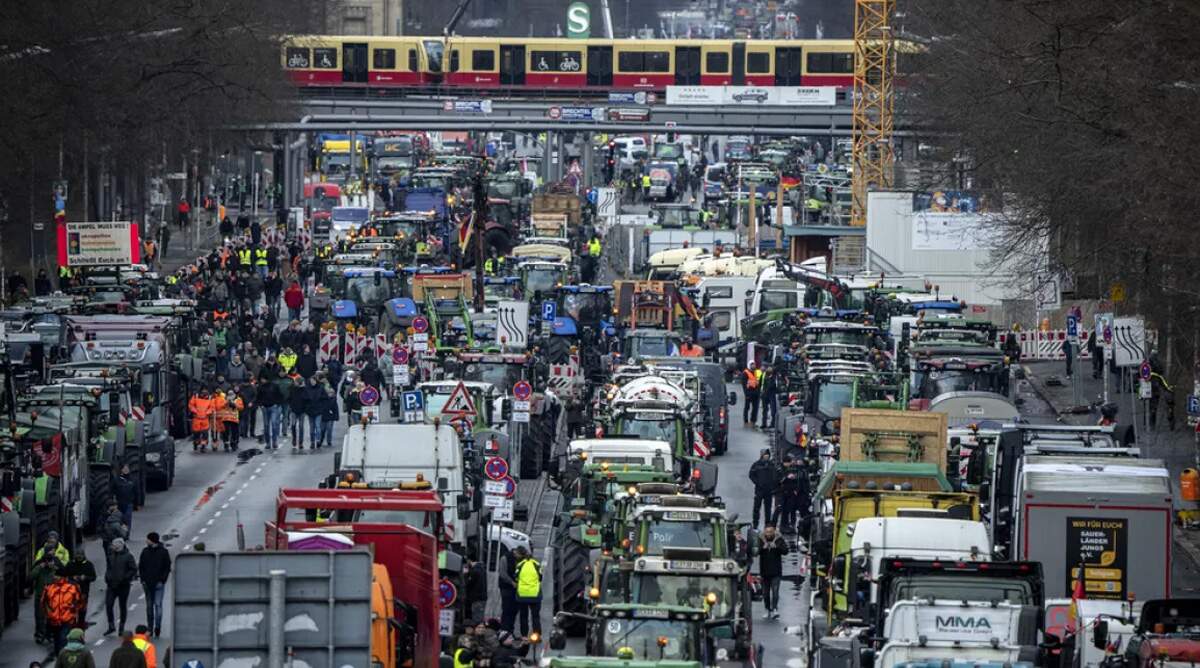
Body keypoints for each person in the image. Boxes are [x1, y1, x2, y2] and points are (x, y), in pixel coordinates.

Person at [138, 532, 171, 637]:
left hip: (156, 583)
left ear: (152, 540)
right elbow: (141, 566)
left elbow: (167, 567)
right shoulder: (157, 551)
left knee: (153, 606)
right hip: (150, 583)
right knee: (155, 606)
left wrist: (162, 580)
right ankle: (154, 627)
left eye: (148, 539)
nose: (146, 541)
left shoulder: (155, 552)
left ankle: (154, 627)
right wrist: (143, 579)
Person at [44, 573, 83, 654]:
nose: (55, 577)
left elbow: (79, 602)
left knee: (63, 639)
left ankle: (63, 656)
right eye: (54, 575)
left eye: (57, 575)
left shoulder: (73, 587)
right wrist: (49, 614)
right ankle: (59, 656)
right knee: (57, 640)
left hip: (67, 619)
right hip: (54, 620)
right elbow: (44, 602)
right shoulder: (49, 587)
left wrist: (72, 611)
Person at [757, 524, 789, 620]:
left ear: (774, 531)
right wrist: (762, 548)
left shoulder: (779, 539)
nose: (769, 534)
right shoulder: (760, 539)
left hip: (776, 571)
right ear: (764, 532)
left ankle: (775, 609)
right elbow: (755, 551)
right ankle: (767, 609)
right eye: (767, 532)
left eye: (771, 532)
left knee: (775, 592)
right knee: (765, 593)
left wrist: (777, 547)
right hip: (764, 572)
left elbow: (786, 551)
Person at [61, 550, 97, 628]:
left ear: (83, 555)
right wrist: (72, 578)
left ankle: (81, 624)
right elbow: (64, 575)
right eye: (78, 555)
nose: (79, 557)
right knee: (71, 608)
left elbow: (93, 577)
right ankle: (72, 624)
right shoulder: (70, 564)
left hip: (83, 591)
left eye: (81, 555)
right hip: (71, 591)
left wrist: (85, 577)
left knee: (82, 609)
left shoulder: (88, 564)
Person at [512, 545, 542, 639]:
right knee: (535, 616)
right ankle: (537, 635)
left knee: (523, 616)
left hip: (522, 595)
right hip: (535, 594)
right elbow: (540, 577)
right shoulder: (536, 564)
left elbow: (516, 577)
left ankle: (524, 636)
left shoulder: (520, 565)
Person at [32, 553, 59, 644]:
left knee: (52, 617)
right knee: (39, 617)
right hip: (40, 596)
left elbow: (61, 578)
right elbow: (31, 577)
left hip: (52, 597)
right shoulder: (39, 568)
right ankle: (40, 634)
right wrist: (39, 568)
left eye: (50, 561)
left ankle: (49, 634)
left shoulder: (55, 569)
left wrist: (54, 569)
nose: (48, 563)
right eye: (47, 561)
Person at [748, 449, 779, 529]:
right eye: (765, 455)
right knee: (757, 507)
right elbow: (751, 475)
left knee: (768, 509)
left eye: (767, 455)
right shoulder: (756, 464)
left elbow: (775, 475)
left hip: (769, 490)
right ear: (762, 456)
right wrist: (757, 482)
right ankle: (755, 523)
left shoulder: (771, 465)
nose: (766, 457)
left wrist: (773, 486)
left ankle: (767, 524)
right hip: (759, 489)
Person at [188, 387, 215, 452]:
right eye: (203, 390)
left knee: (205, 433)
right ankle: (196, 443)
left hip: (205, 419)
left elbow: (212, 407)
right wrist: (195, 411)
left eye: (205, 390)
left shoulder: (210, 398)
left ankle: (203, 445)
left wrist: (207, 413)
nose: (204, 392)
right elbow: (191, 405)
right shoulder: (195, 396)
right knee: (196, 433)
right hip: (196, 418)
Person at [114, 466, 136, 530]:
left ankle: (127, 533)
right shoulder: (116, 480)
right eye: (124, 468)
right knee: (119, 519)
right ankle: (120, 532)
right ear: (121, 470)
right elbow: (112, 490)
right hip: (119, 503)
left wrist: (137, 503)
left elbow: (136, 491)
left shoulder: (132, 479)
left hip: (129, 503)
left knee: (127, 519)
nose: (126, 470)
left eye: (127, 469)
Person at [760, 366, 779, 430]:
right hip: (767, 394)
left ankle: (769, 424)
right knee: (768, 410)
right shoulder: (766, 376)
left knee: (771, 410)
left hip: (770, 394)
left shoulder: (773, 377)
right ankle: (766, 423)